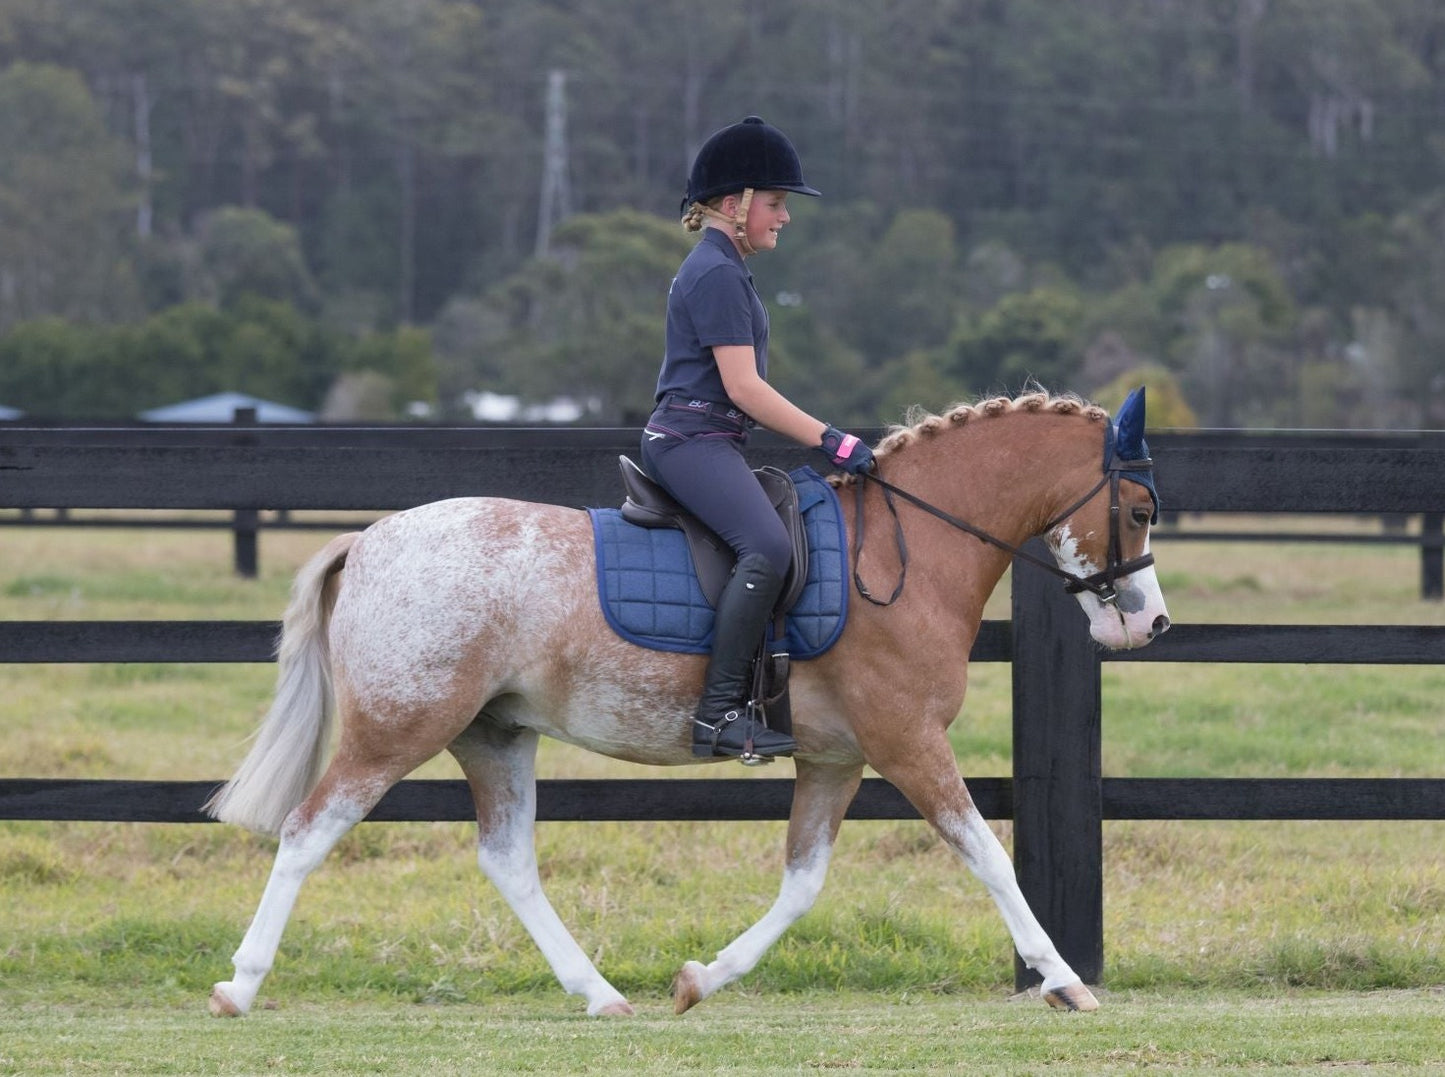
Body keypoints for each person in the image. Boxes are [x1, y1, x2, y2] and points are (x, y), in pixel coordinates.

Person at [640, 116, 875, 762]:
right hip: (691, 440)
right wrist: (832, 439)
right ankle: (716, 715)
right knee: (767, 546)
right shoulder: (715, 273)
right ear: (731, 204)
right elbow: (742, 388)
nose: (784, 217)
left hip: (709, 440)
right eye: (774, 203)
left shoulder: (725, 268)